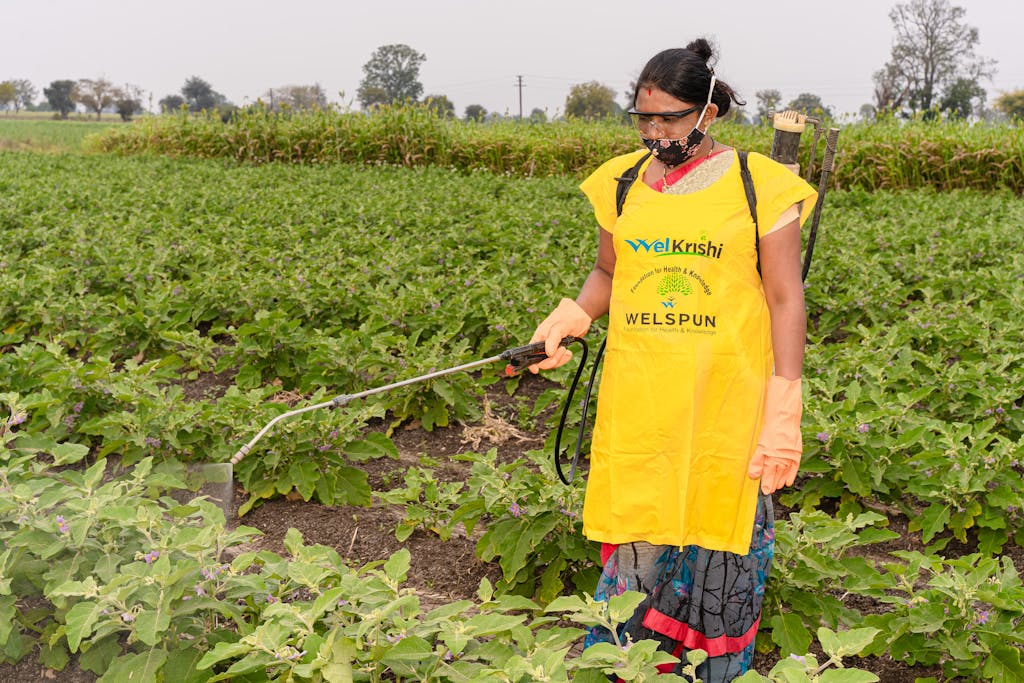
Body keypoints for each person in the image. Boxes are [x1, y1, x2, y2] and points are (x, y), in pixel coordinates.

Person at [528, 38, 817, 681]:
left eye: (671, 119)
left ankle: (710, 672)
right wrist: (574, 315)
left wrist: (784, 401)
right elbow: (608, 271)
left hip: (728, 404)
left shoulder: (760, 185)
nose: (656, 133)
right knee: (637, 543)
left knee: (721, 542)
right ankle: (623, 668)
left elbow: (785, 296)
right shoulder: (622, 182)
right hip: (642, 402)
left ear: (708, 113)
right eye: (644, 119)